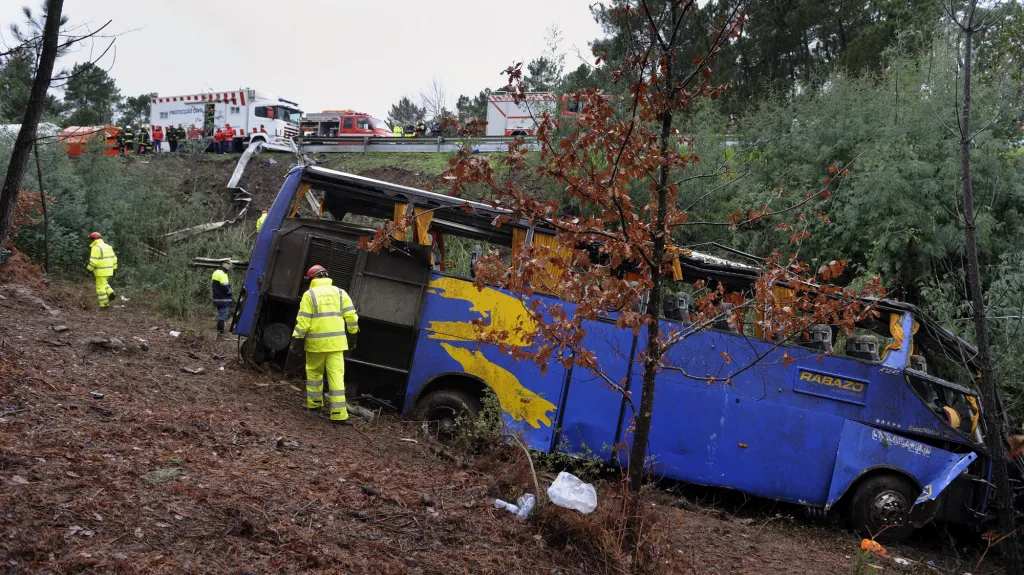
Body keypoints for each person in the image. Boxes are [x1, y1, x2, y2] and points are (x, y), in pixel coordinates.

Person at [292, 265, 359, 424]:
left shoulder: (309, 295)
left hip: (316, 344)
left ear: (312, 279)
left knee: (315, 373)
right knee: (336, 376)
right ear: (326, 276)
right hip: (336, 344)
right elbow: (351, 316)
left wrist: (297, 338)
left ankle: (314, 405)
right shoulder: (340, 293)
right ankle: (338, 414)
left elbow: (304, 321)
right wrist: (353, 334)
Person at [86, 232, 118, 309]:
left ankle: (104, 305)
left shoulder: (96, 248)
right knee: (104, 283)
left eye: (91, 239)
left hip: (100, 271)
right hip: (109, 270)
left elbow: (94, 261)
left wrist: (89, 270)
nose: (90, 241)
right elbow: (114, 258)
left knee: (100, 288)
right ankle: (111, 293)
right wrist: (114, 268)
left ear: (94, 239)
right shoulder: (108, 247)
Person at [211, 260, 234, 337]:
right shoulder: (223, 274)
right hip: (224, 300)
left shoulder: (215, 272)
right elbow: (225, 287)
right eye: (228, 264)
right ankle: (220, 335)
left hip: (217, 299)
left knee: (221, 316)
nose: (229, 266)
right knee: (222, 317)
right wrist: (230, 292)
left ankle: (219, 334)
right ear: (223, 264)